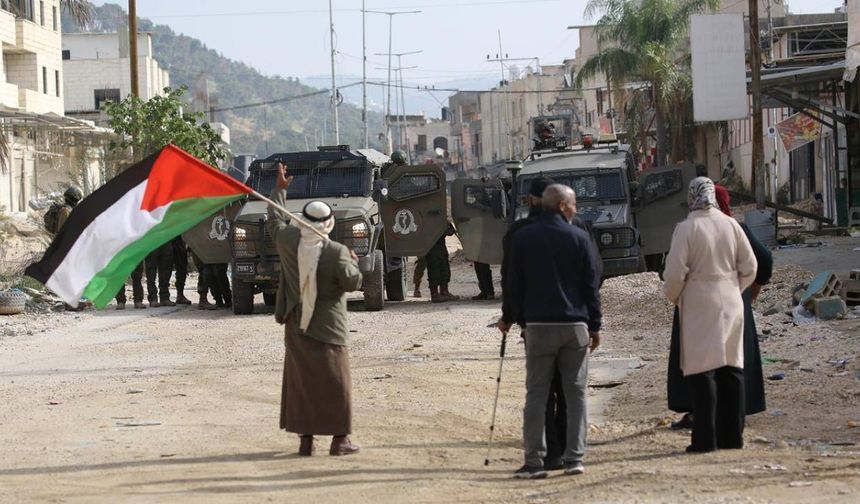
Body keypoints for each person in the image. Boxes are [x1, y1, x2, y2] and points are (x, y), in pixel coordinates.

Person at [502, 184, 602, 479]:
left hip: (538, 328)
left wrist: (510, 318)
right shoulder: (580, 238)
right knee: (576, 394)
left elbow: (512, 285)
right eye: (573, 204)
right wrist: (595, 325)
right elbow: (591, 286)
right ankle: (574, 459)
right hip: (574, 327)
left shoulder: (522, 238)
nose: (576, 210)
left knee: (536, 394)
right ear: (561, 206)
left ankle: (534, 462)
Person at [267, 161, 363, 457]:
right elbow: (352, 283)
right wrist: (353, 261)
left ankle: (306, 442)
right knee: (336, 384)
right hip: (329, 328)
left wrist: (280, 190)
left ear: (303, 220)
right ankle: (340, 440)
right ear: (329, 222)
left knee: (302, 383)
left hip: (297, 323)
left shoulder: (288, 241)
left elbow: (274, 220)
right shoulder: (335, 252)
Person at [663, 177, 757, 453]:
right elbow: (750, 266)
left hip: (699, 301)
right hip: (731, 299)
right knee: (732, 368)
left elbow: (674, 274)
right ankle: (733, 438)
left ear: (692, 197)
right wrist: (733, 288)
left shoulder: (687, 228)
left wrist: (677, 296)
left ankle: (705, 440)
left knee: (702, 370)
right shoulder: (731, 225)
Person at [426, 223, 458, 303]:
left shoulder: (440, 218)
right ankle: (435, 295)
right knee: (434, 270)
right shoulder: (428, 219)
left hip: (440, 245)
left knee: (444, 268)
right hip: (431, 247)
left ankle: (444, 292)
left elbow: (450, 231)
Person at [171, 237, 192, 305]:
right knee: (165, 269)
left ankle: (180, 295)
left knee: (181, 268)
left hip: (179, 240)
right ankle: (164, 297)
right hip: (167, 238)